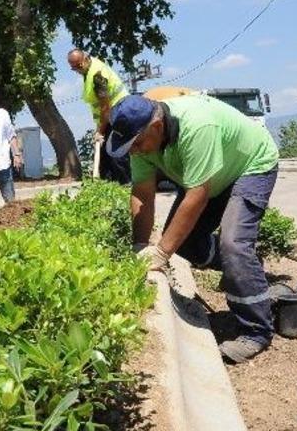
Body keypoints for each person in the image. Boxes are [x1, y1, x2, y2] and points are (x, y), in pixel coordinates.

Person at [106, 93, 280, 364]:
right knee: (185, 244)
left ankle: (256, 331)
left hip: (250, 165)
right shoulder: (142, 142)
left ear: (156, 126)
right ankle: (246, 268)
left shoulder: (197, 127)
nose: (135, 151)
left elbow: (197, 195)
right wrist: (139, 247)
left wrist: (161, 253)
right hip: (214, 177)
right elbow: (142, 194)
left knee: (233, 245)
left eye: (137, 144)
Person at [67, 48, 130, 184]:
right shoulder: (88, 70)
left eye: (79, 66)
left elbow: (105, 107)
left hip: (118, 114)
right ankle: (107, 186)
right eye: (74, 68)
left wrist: (100, 132)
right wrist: (99, 128)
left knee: (116, 156)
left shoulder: (97, 76)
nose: (77, 70)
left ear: (85, 58)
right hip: (109, 117)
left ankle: (126, 186)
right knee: (104, 158)